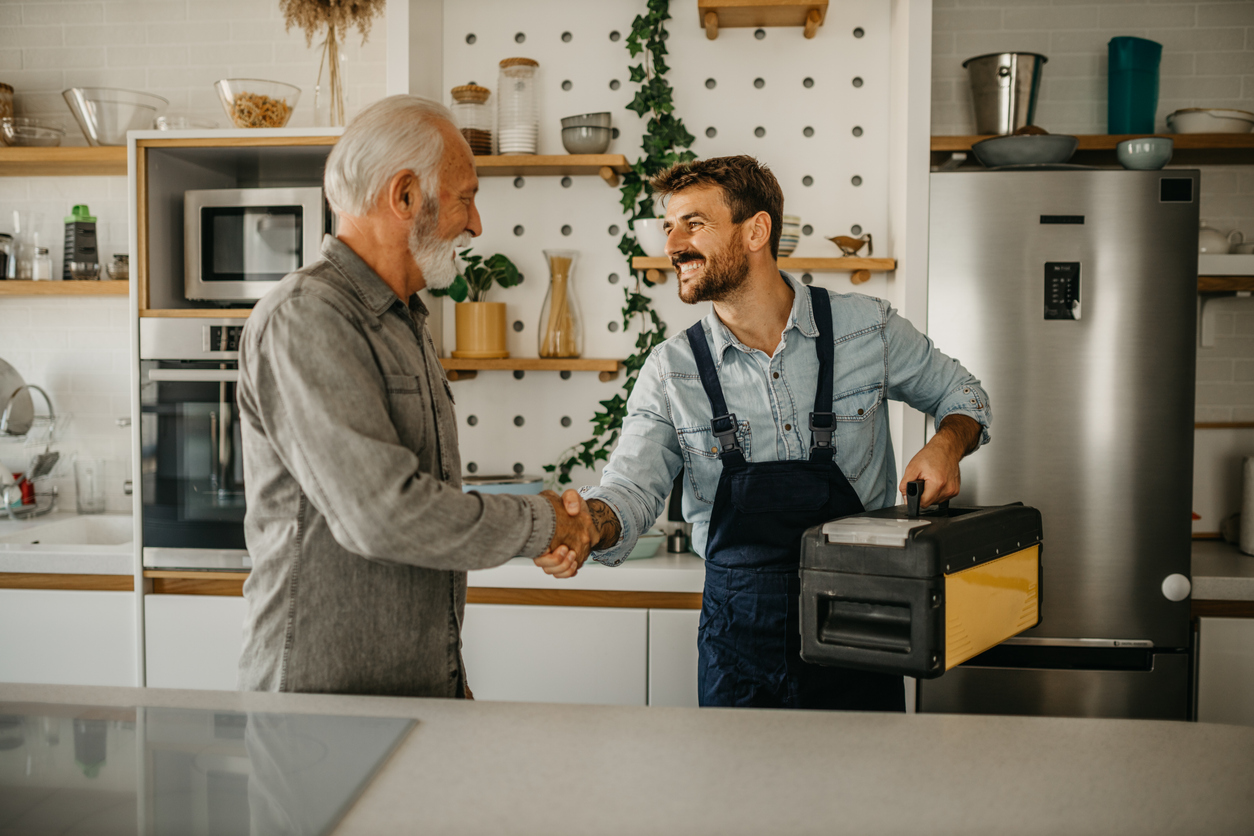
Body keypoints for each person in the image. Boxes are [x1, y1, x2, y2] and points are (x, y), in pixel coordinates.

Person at [535, 156, 990, 711]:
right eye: (669, 227)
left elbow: (964, 395)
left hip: (862, 625)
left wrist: (947, 444)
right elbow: (631, 488)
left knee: (866, 769)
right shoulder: (671, 370)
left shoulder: (867, 329)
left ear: (756, 231)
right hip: (738, 642)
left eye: (693, 224)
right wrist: (591, 525)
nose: (672, 244)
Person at [236, 96, 590, 699]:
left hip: (419, 691)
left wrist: (450, 683)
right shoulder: (307, 317)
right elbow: (384, 514)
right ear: (404, 196)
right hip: (322, 715)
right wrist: (543, 521)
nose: (477, 224)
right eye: (465, 198)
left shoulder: (404, 319)